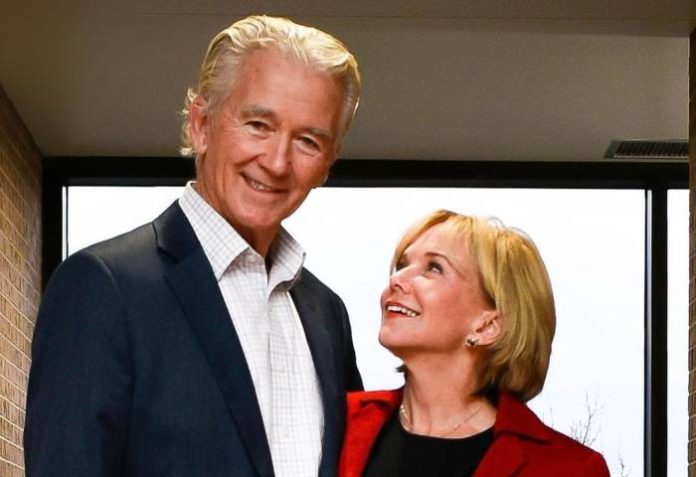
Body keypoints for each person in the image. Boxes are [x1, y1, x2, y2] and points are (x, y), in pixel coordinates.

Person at [25, 15, 363, 477]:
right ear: (201, 124)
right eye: (258, 125)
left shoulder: (327, 315)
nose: (277, 162)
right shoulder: (104, 288)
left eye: (307, 141)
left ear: (328, 163)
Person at [339, 210, 609, 477]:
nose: (396, 279)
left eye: (434, 268)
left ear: (487, 326)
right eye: (402, 265)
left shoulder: (571, 469)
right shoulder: (338, 421)